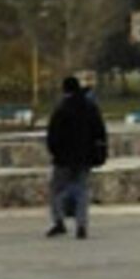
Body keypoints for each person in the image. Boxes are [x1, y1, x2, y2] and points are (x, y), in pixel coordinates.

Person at [45, 75, 109, 240]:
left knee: (56, 190)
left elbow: (53, 135)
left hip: (63, 159)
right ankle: (81, 225)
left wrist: (54, 152)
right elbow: (100, 132)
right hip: (84, 157)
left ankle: (59, 221)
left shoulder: (61, 109)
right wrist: (99, 154)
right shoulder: (90, 107)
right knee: (81, 191)